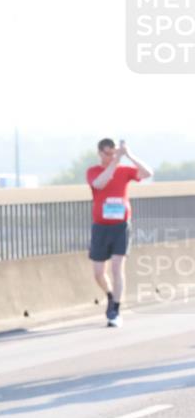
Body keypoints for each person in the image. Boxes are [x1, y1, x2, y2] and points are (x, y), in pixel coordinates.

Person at [85, 138, 153, 327]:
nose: (112, 157)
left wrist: (129, 155)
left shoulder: (124, 171)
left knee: (117, 267)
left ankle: (115, 309)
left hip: (121, 225)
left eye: (114, 153)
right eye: (108, 153)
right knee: (99, 273)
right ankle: (110, 295)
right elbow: (99, 183)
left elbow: (148, 173)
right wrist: (115, 161)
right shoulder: (93, 171)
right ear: (100, 153)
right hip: (100, 226)